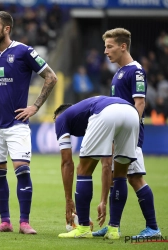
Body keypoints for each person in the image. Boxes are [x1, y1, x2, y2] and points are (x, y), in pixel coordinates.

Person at [0, 11, 57, 234]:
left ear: (6, 29)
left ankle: (24, 222)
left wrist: (35, 107)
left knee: (22, 170)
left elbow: (51, 77)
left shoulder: (24, 51)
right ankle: (5, 221)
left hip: (17, 123)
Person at [92, 28, 161, 238]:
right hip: (120, 134)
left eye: (109, 46)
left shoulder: (135, 71)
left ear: (123, 46)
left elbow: (139, 103)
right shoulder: (120, 72)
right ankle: (114, 225)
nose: (105, 51)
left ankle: (153, 228)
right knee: (118, 178)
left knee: (135, 178)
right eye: (105, 46)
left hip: (128, 136)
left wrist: (126, 133)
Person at [54, 96, 139, 239]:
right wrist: (103, 201)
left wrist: (69, 200)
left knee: (84, 170)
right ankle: (113, 230)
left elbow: (67, 162)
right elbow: (107, 164)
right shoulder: (87, 113)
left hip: (107, 113)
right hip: (132, 113)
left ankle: (83, 229)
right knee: (120, 175)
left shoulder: (61, 119)